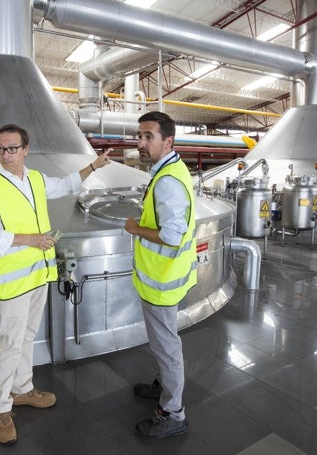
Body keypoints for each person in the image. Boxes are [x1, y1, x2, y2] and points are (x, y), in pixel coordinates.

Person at [0, 124, 111, 445]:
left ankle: (22, 389)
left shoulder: (34, 179)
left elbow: (64, 185)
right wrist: (30, 240)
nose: (5, 154)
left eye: (11, 148)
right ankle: (0, 407)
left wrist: (93, 165)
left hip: (38, 275)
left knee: (28, 336)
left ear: (25, 149)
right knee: (10, 341)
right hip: (13, 280)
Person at [124, 111, 197, 440]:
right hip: (169, 277)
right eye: (139, 135)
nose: (140, 142)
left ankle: (173, 413)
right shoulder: (172, 169)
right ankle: (163, 385)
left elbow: (171, 235)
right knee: (165, 343)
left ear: (168, 141)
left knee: (167, 346)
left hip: (162, 282)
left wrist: (135, 228)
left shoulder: (167, 182)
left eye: (148, 136)